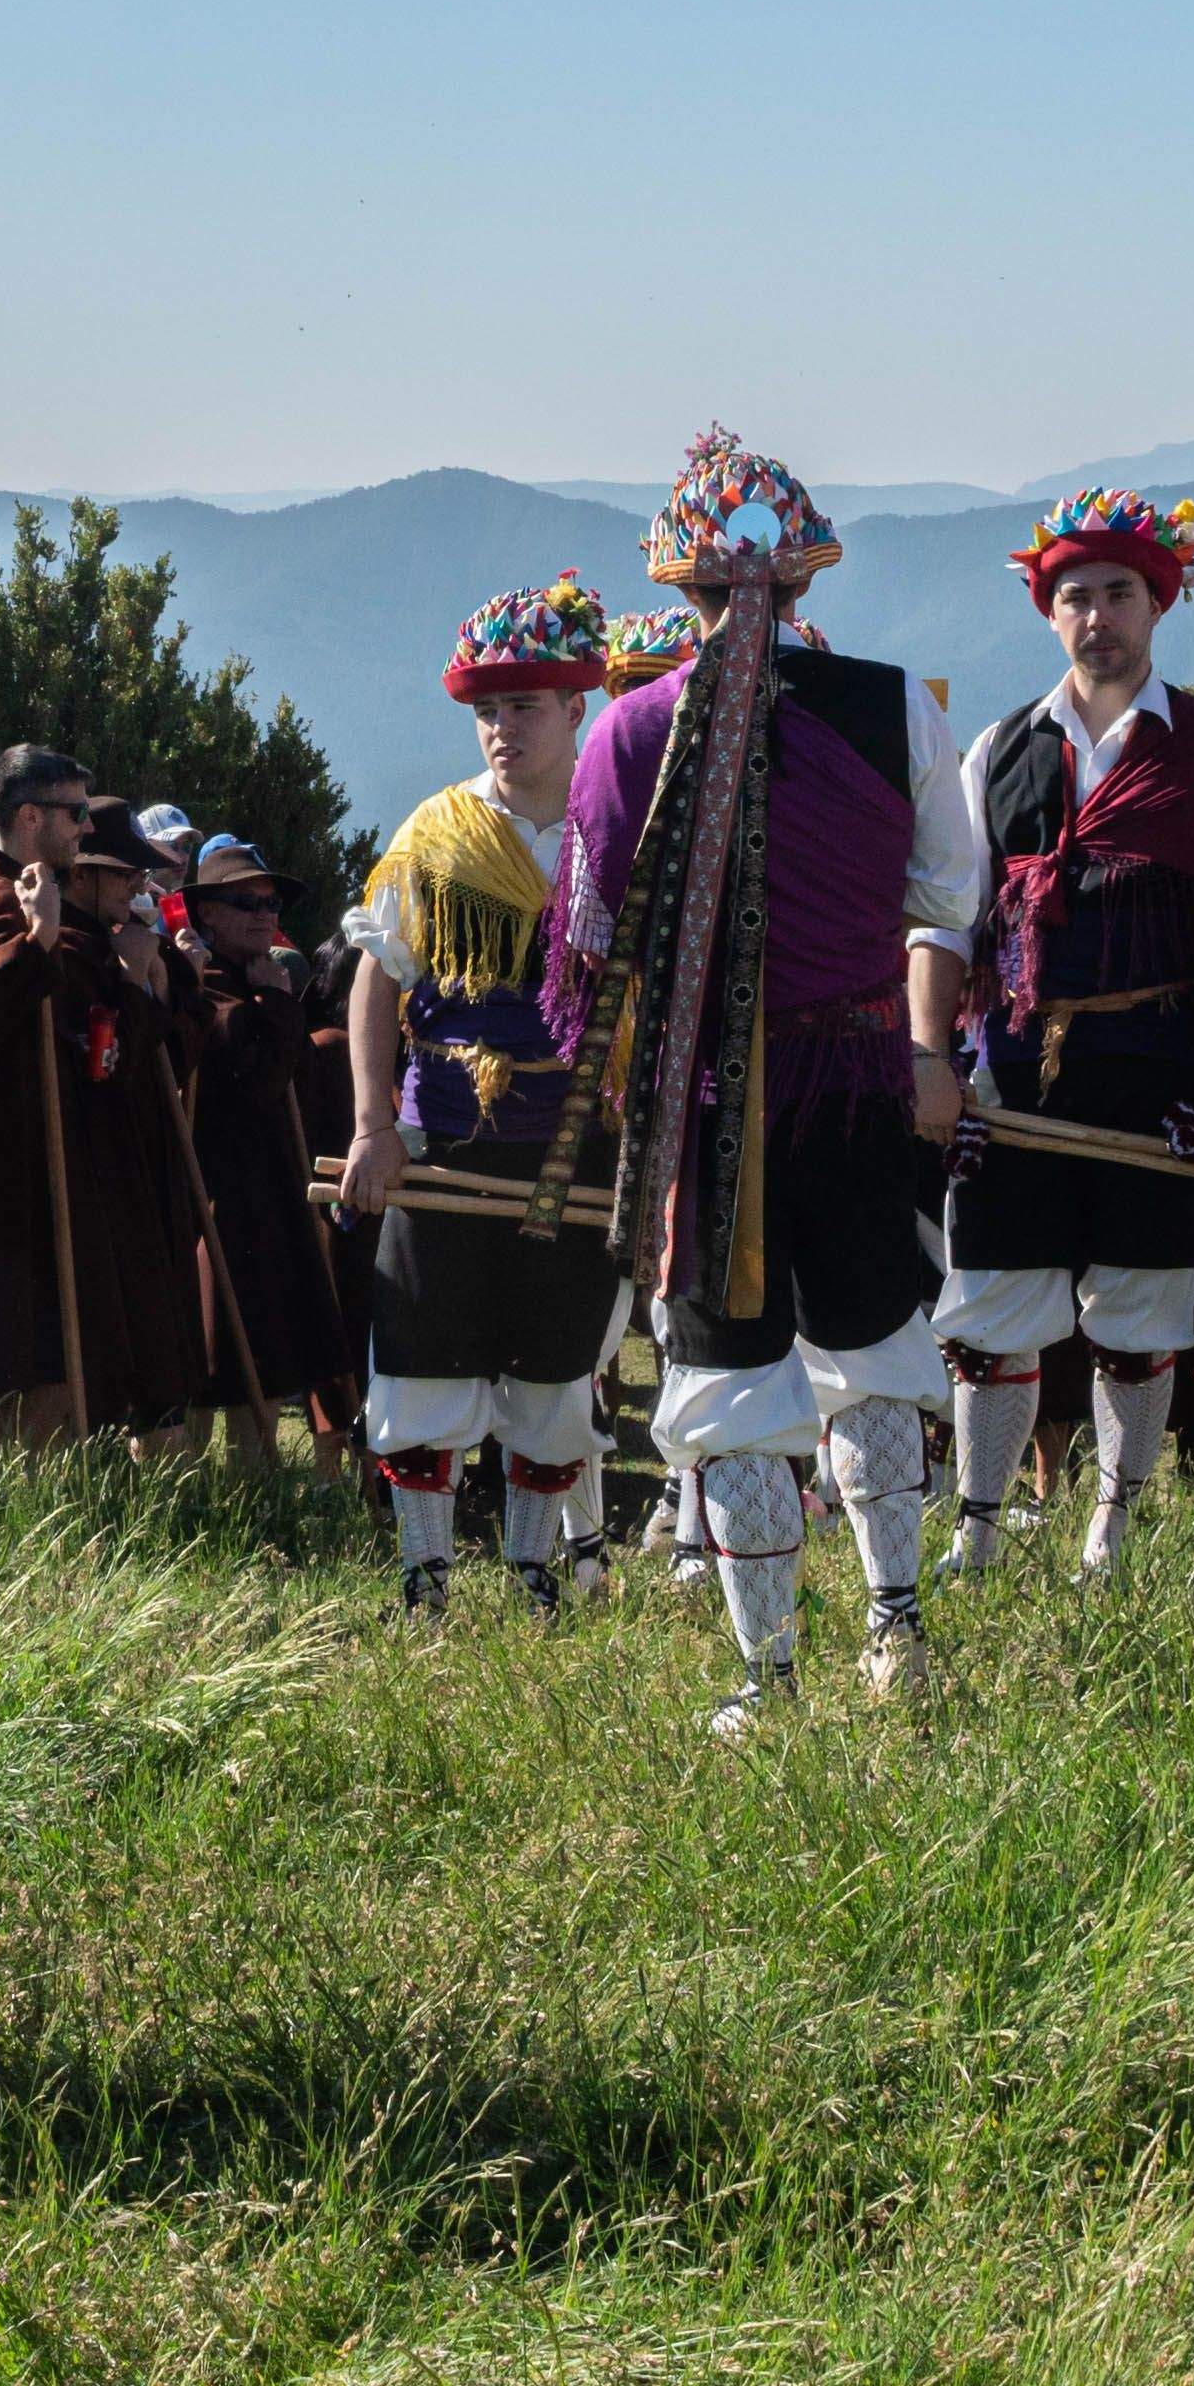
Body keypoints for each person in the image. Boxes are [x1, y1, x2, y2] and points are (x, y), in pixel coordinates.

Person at [563, 437, 982, 1726]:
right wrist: (915, 1044)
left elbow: (587, 952)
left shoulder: (623, 735)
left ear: (683, 587)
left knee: (736, 1378)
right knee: (868, 1348)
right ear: (799, 578)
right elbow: (944, 900)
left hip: (705, 1105)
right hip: (855, 1077)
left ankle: (768, 1677)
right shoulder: (896, 703)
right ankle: (894, 1628)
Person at [919, 489, 1194, 1578]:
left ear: (1157, 604)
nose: (1096, 617)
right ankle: (976, 1532)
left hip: (1154, 1077)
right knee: (989, 1309)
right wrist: (930, 1058)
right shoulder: (997, 750)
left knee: (1137, 1312)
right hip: (1015, 1080)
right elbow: (947, 917)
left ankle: (1111, 1534)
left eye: (1117, 594)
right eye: (1073, 596)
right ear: (1046, 613)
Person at [342, 580, 627, 1614]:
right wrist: (375, 1127)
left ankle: (531, 1573)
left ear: (572, 710)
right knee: (420, 1363)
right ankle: (424, 1576)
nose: (501, 730)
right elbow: (376, 979)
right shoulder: (436, 834)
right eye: (486, 711)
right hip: (449, 1137)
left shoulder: (617, 834)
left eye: (523, 708)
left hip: (578, 1147)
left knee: (552, 1376)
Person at [0, 741, 217, 1449]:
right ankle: (8, 1521)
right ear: (30, 816)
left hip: (18, 1174)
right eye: (76, 814)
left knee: (42, 1375)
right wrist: (42, 939)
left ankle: (26, 1516)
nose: (86, 829)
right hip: (0, 1177)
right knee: (23, 1380)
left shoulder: (10, 886)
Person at [177, 828, 356, 1449]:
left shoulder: (265, 981)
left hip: (273, 1195)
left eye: (271, 904)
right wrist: (277, 1007)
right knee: (211, 1358)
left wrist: (274, 1001)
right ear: (207, 913)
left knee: (269, 1357)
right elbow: (251, 1076)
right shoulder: (197, 983)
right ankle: (190, 1499)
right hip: (215, 1200)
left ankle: (255, 1501)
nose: (264, 916)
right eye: (247, 904)